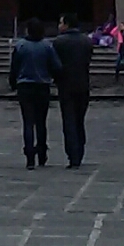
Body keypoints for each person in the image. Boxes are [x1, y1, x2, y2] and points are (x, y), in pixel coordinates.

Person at [9, 18, 62, 169]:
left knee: (28, 122)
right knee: (41, 122)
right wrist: (54, 78)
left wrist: (13, 83)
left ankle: (29, 156)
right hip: (42, 86)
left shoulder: (21, 46)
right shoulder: (47, 46)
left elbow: (14, 67)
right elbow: (56, 66)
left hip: (25, 87)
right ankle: (42, 153)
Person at [50, 16, 93, 167]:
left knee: (69, 120)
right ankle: (80, 150)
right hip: (83, 84)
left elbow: (55, 64)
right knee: (79, 120)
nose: (59, 25)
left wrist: (56, 78)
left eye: (61, 23)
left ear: (66, 25)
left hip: (65, 85)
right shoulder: (87, 41)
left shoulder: (58, 42)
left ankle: (73, 154)